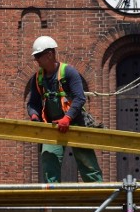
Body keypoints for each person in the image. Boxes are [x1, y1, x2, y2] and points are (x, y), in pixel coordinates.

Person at [26, 35, 103, 183]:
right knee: (49, 157)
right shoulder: (37, 78)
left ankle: (98, 194)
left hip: (75, 123)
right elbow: (33, 103)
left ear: (49, 54)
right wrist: (34, 116)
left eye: (38, 56)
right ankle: (53, 194)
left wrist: (67, 118)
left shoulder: (68, 72)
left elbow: (80, 98)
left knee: (86, 161)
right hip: (53, 126)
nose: (36, 60)